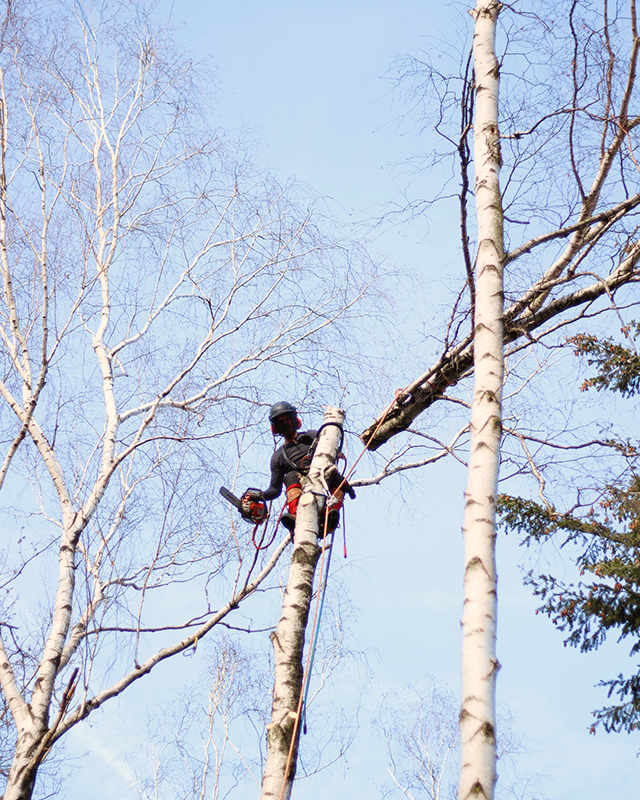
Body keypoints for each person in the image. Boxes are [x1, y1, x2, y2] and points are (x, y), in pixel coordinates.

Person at [244, 401, 354, 533]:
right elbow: (275, 489)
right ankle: (296, 516)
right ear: (275, 428)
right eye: (280, 422)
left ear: (295, 420)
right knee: (290, 476)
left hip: (324, 478)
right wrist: (259, 495)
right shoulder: (278, 457)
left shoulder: (311, 436)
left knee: (338, 480)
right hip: (300, 484)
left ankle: (328, 517)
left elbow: (331, 447)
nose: (285, 424)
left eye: (287, 420)